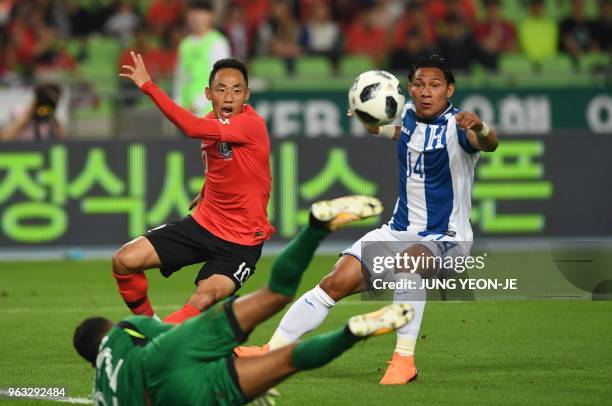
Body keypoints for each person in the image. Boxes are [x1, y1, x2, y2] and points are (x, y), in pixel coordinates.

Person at [236, 54, 499, 385]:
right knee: (335, 281)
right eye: (419, 85)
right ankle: (272, 349)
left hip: (446, 239)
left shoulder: (458, 127)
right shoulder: (409, 120)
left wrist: (481, 127)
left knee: (409, 265)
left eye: (435, 85)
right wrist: (366, 117)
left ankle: (404, 360)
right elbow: (393, 131)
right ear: (409, 89)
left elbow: (488, 144)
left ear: (450, 89)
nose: (426, 92)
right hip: (398, 231)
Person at [73, 196, 414, 405]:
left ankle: (350, 333)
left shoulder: (102, 391)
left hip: (182, 395)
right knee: (274, 294)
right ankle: (315, 227)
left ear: (94, 361)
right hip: (169, 353)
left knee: (289, 360)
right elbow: (161, 337)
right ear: (110, 328)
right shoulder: (127, 331)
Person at [116, 54, 273, 324]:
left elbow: (190, 127)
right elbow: (222, 162)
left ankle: (155, 344)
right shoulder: (213, 121)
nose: (228, 97)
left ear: (246, 95)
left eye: (237, 90)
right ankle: (151, 324)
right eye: (221, 89)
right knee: (124, 260)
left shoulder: (251, 124)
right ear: (208, 93)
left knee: (203, 297)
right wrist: (207, 189)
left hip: (240, 243)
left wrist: (149, 86)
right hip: (204, 225)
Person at [174, 0, 230, 116]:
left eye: (200, 12)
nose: (195, 17)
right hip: (185, 114)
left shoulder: (218, 43)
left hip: (208, 113)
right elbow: (180, 78)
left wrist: (198, 104)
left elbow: (221, 80)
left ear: (210, 16)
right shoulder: (185, 44)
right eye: (192, 12)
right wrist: (177, 105)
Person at [1, 83, 66, 141]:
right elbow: (5, 138)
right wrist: (27, 117)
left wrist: (53, 119)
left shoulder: (52, 121)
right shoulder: (18, 112)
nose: (47, 104)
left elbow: (66, 143)